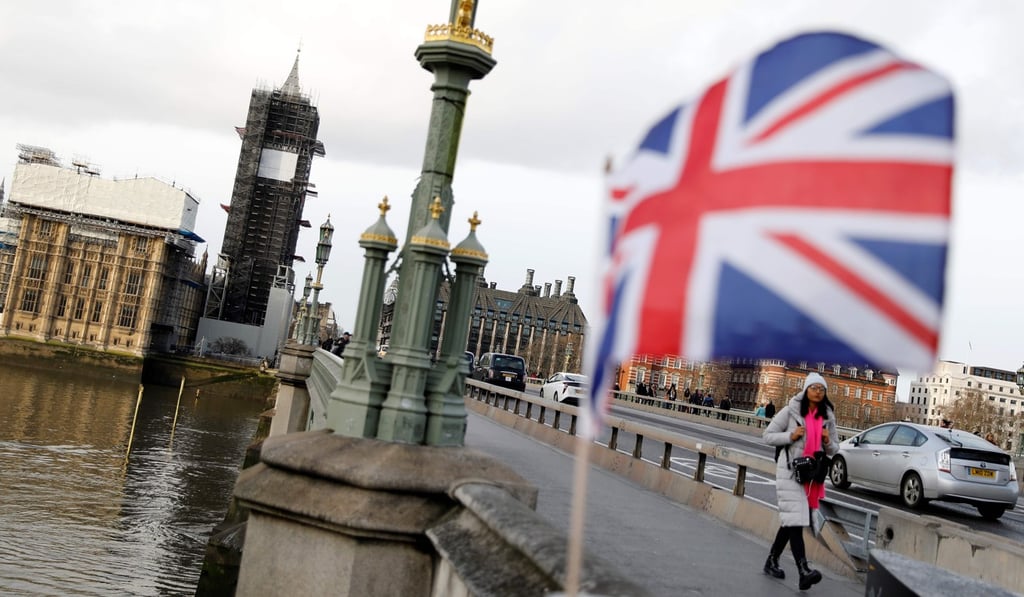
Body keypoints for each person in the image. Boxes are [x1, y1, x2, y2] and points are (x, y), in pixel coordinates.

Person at [762, 372, 838, 590]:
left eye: (821, 389)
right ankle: (803, 571)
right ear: (806, 390)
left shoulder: (828, 416)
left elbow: (835, 447)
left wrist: (827, 440)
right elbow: (767, 436)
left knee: (791, 519)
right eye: (814, 388)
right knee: (796, 520)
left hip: (812, 476)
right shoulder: (791, 411)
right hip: (789, 472)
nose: (818, 392)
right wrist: (791, 436)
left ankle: (772, 560)